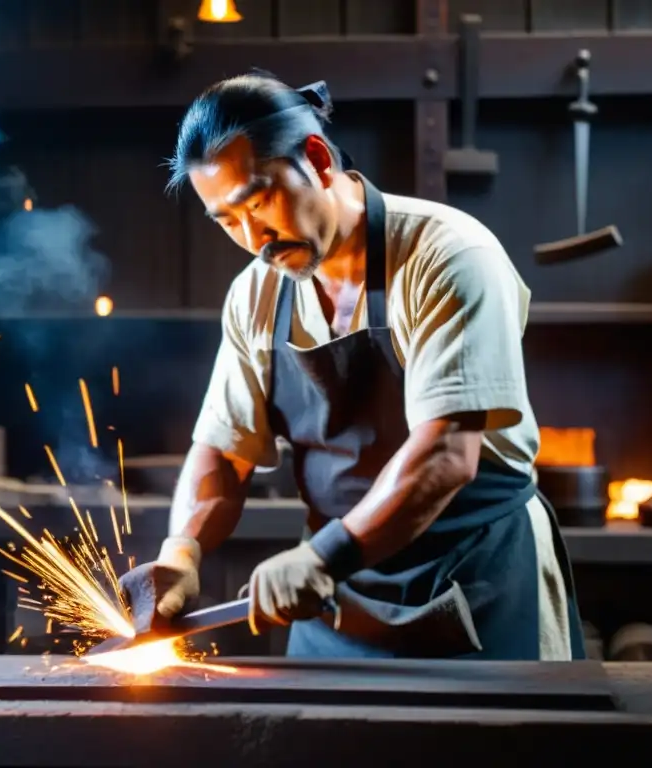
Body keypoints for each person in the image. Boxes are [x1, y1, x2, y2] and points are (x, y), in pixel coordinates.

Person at [123, 72, 586, 660]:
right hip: (335, 590)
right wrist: (180, 552)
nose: (253, 239)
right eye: (227, 222)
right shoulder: (255, 295)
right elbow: (222, 450)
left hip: (477, 570)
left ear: (315, 158)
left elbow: (447, 453)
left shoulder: (448, 255)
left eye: (259, 204)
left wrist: (325, 555)